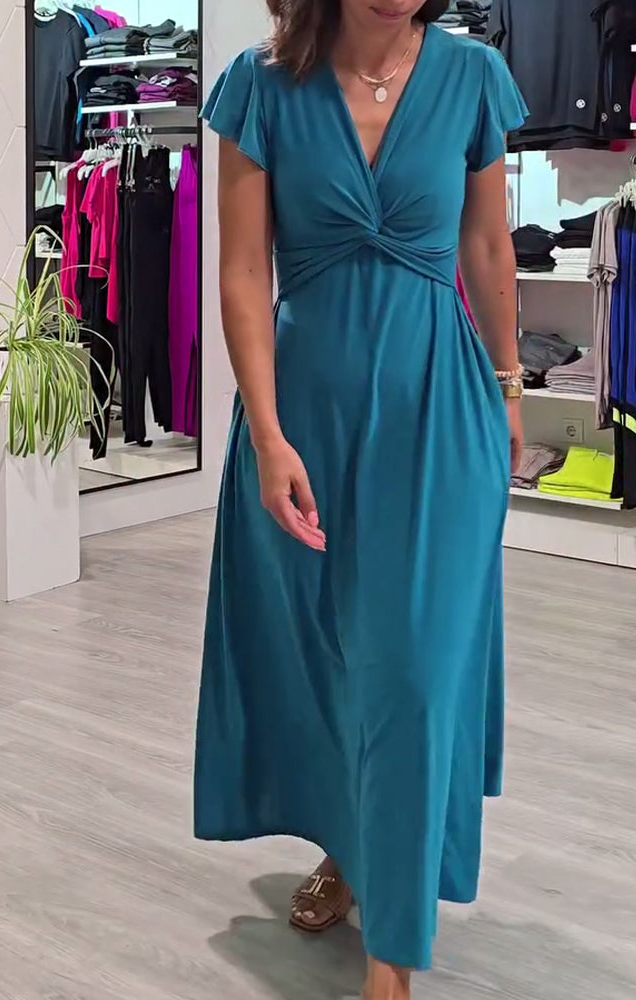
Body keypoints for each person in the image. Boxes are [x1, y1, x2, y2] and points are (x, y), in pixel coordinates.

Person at [194, 1, 527, 997]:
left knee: (415, 670)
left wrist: (509, 389)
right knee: (330, 656)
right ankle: (353, 847)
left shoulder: (471, 77)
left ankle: (393, 951)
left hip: (439, 407)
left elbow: (487, 247)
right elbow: (242, 268)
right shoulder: (261, 85)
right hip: (308, 417)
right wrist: (266, 434)